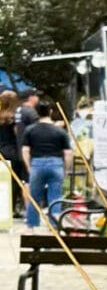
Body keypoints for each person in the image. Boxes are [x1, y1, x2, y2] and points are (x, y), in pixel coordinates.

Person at [22, 100, 72, 230]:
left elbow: (25, 150)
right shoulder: (60, 131)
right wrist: (66, 169)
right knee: (55, 197)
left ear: (37, 113)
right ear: (50, 112)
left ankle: (32, 225)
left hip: (37, 164)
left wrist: (28, 166)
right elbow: (67, 153)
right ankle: (54, 225)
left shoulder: (30, 130)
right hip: (56, 164)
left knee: (34, 196)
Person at [0, 90, 26, 216]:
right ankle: (11, 209)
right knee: (14, 181)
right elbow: (18, 135)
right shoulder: (14, 117)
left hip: (1, 150)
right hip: (12, 151)